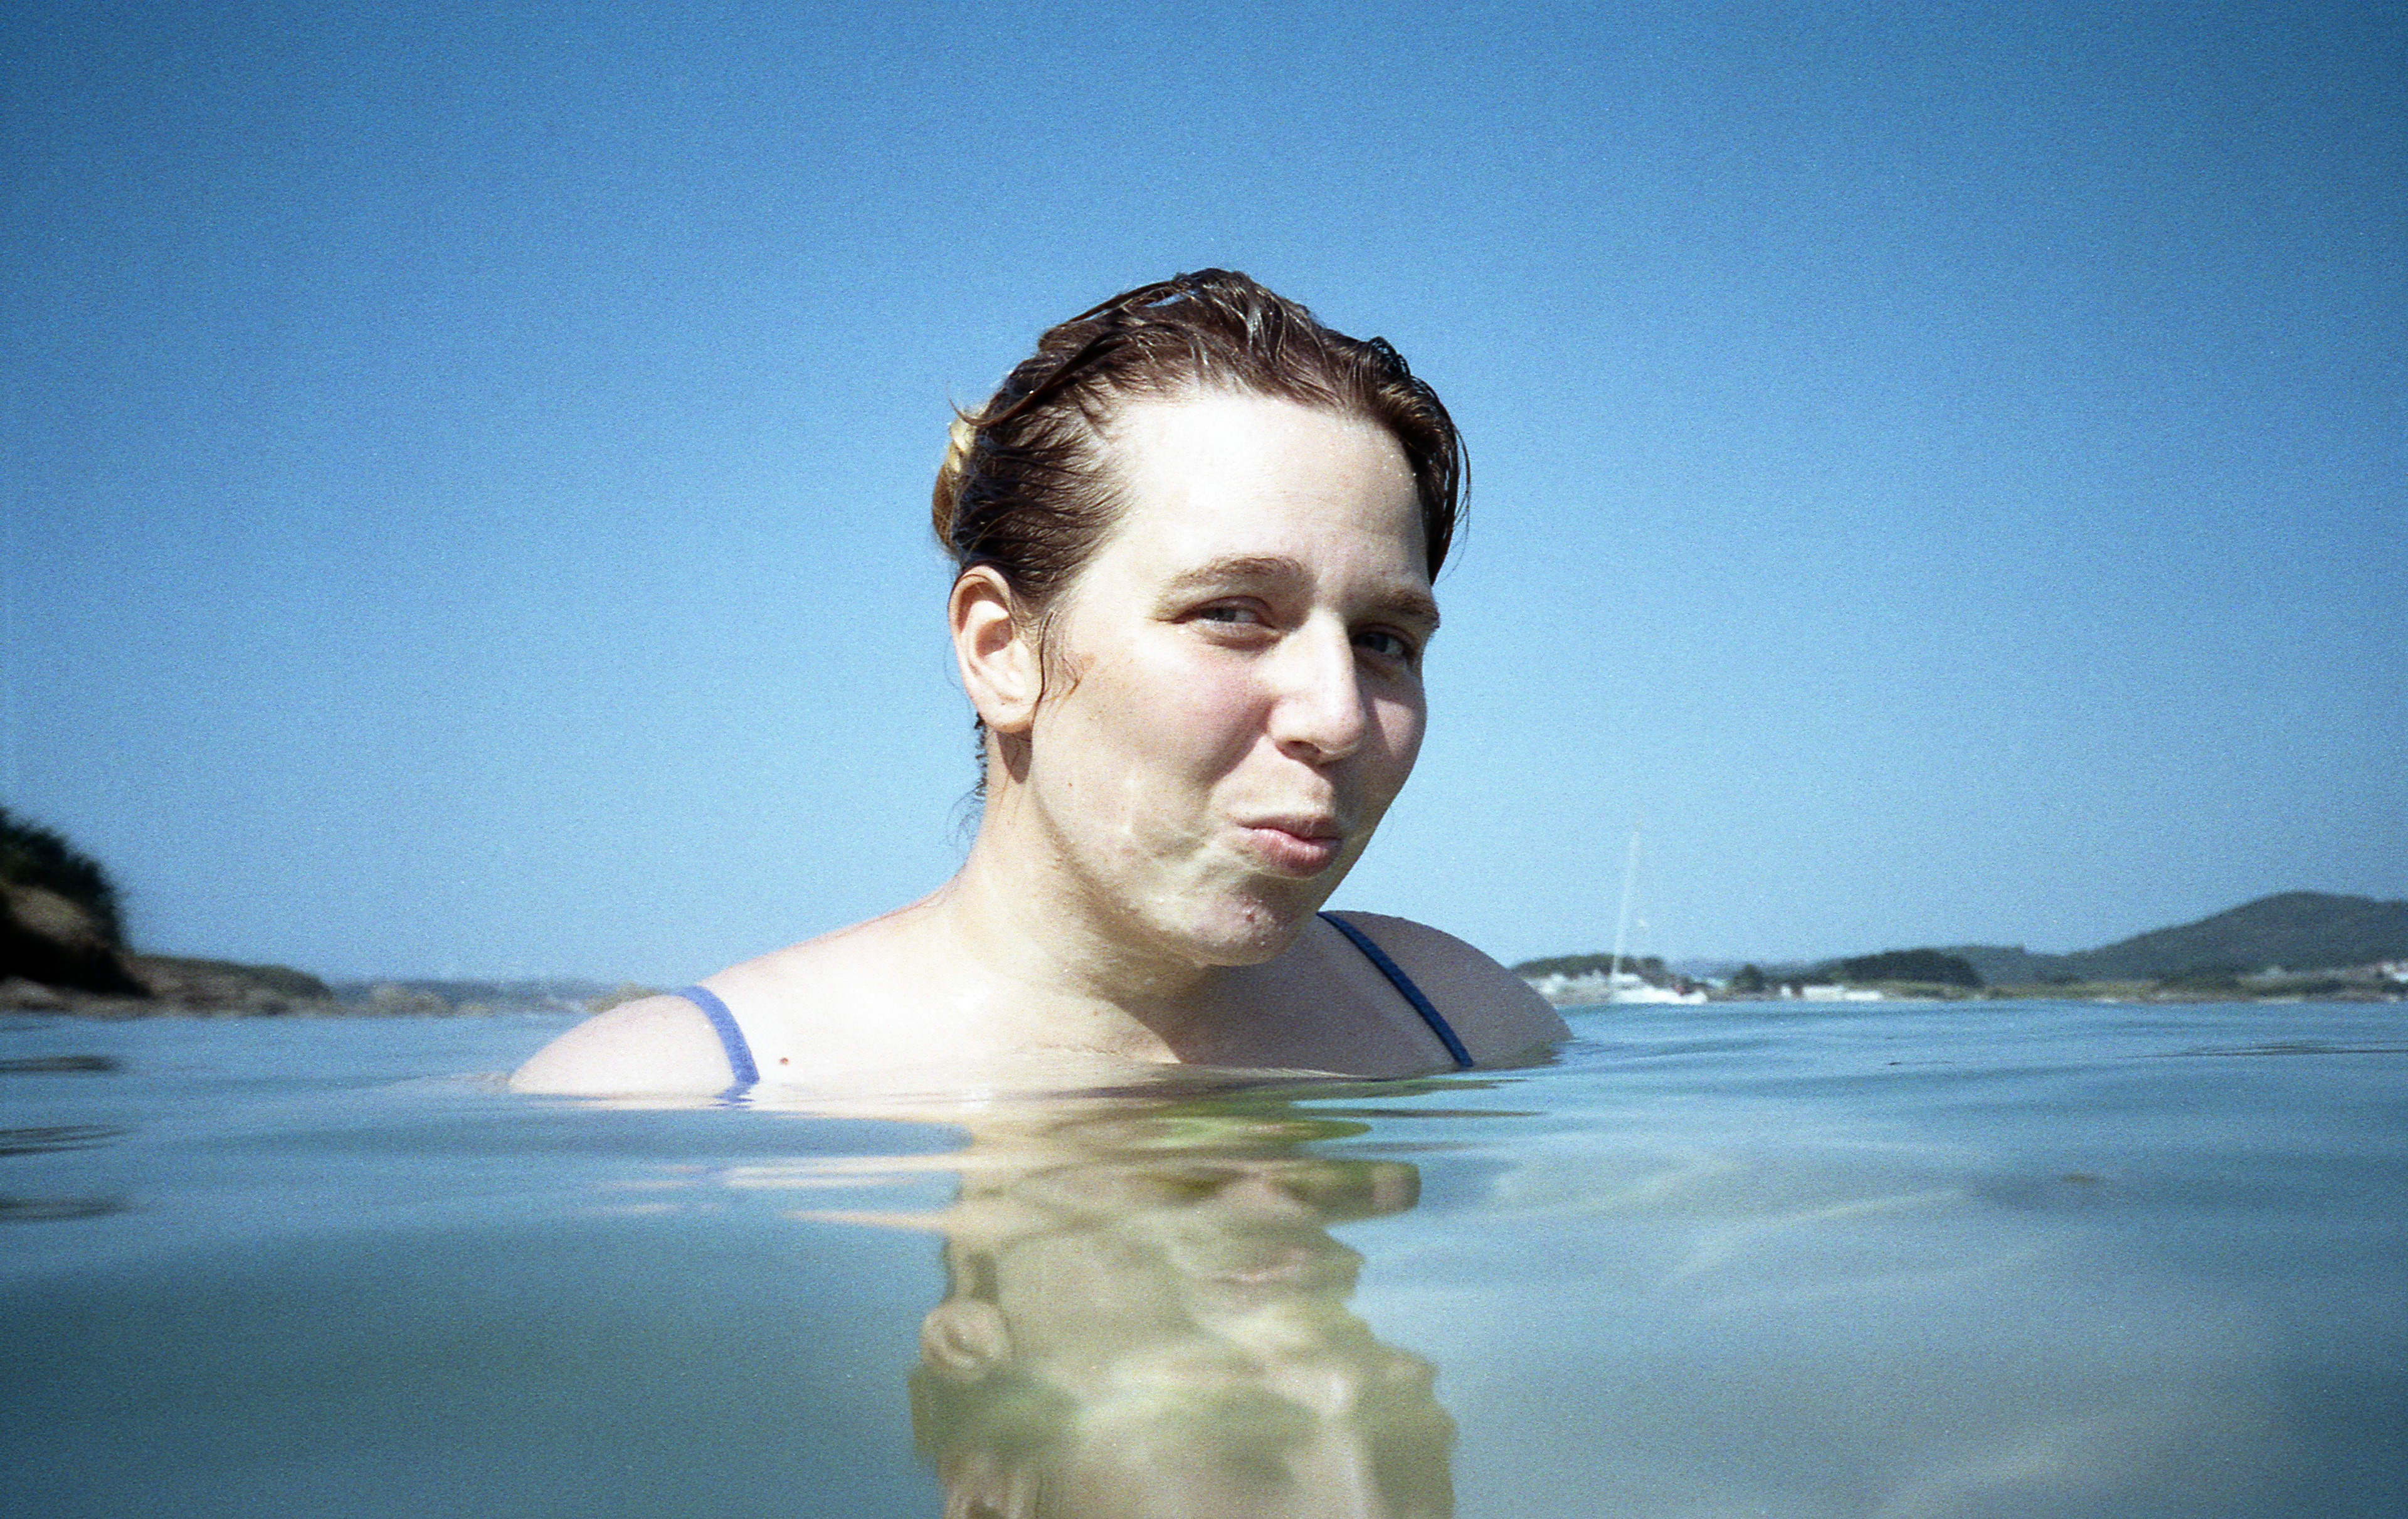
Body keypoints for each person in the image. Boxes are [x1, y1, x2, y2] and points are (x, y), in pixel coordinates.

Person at [512, 270, 1567, 1096]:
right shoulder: (670, 1097)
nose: (1338, 717)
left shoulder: (1472, 1024)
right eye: (1233, 613)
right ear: (1001, 649)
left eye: (1385, 639)